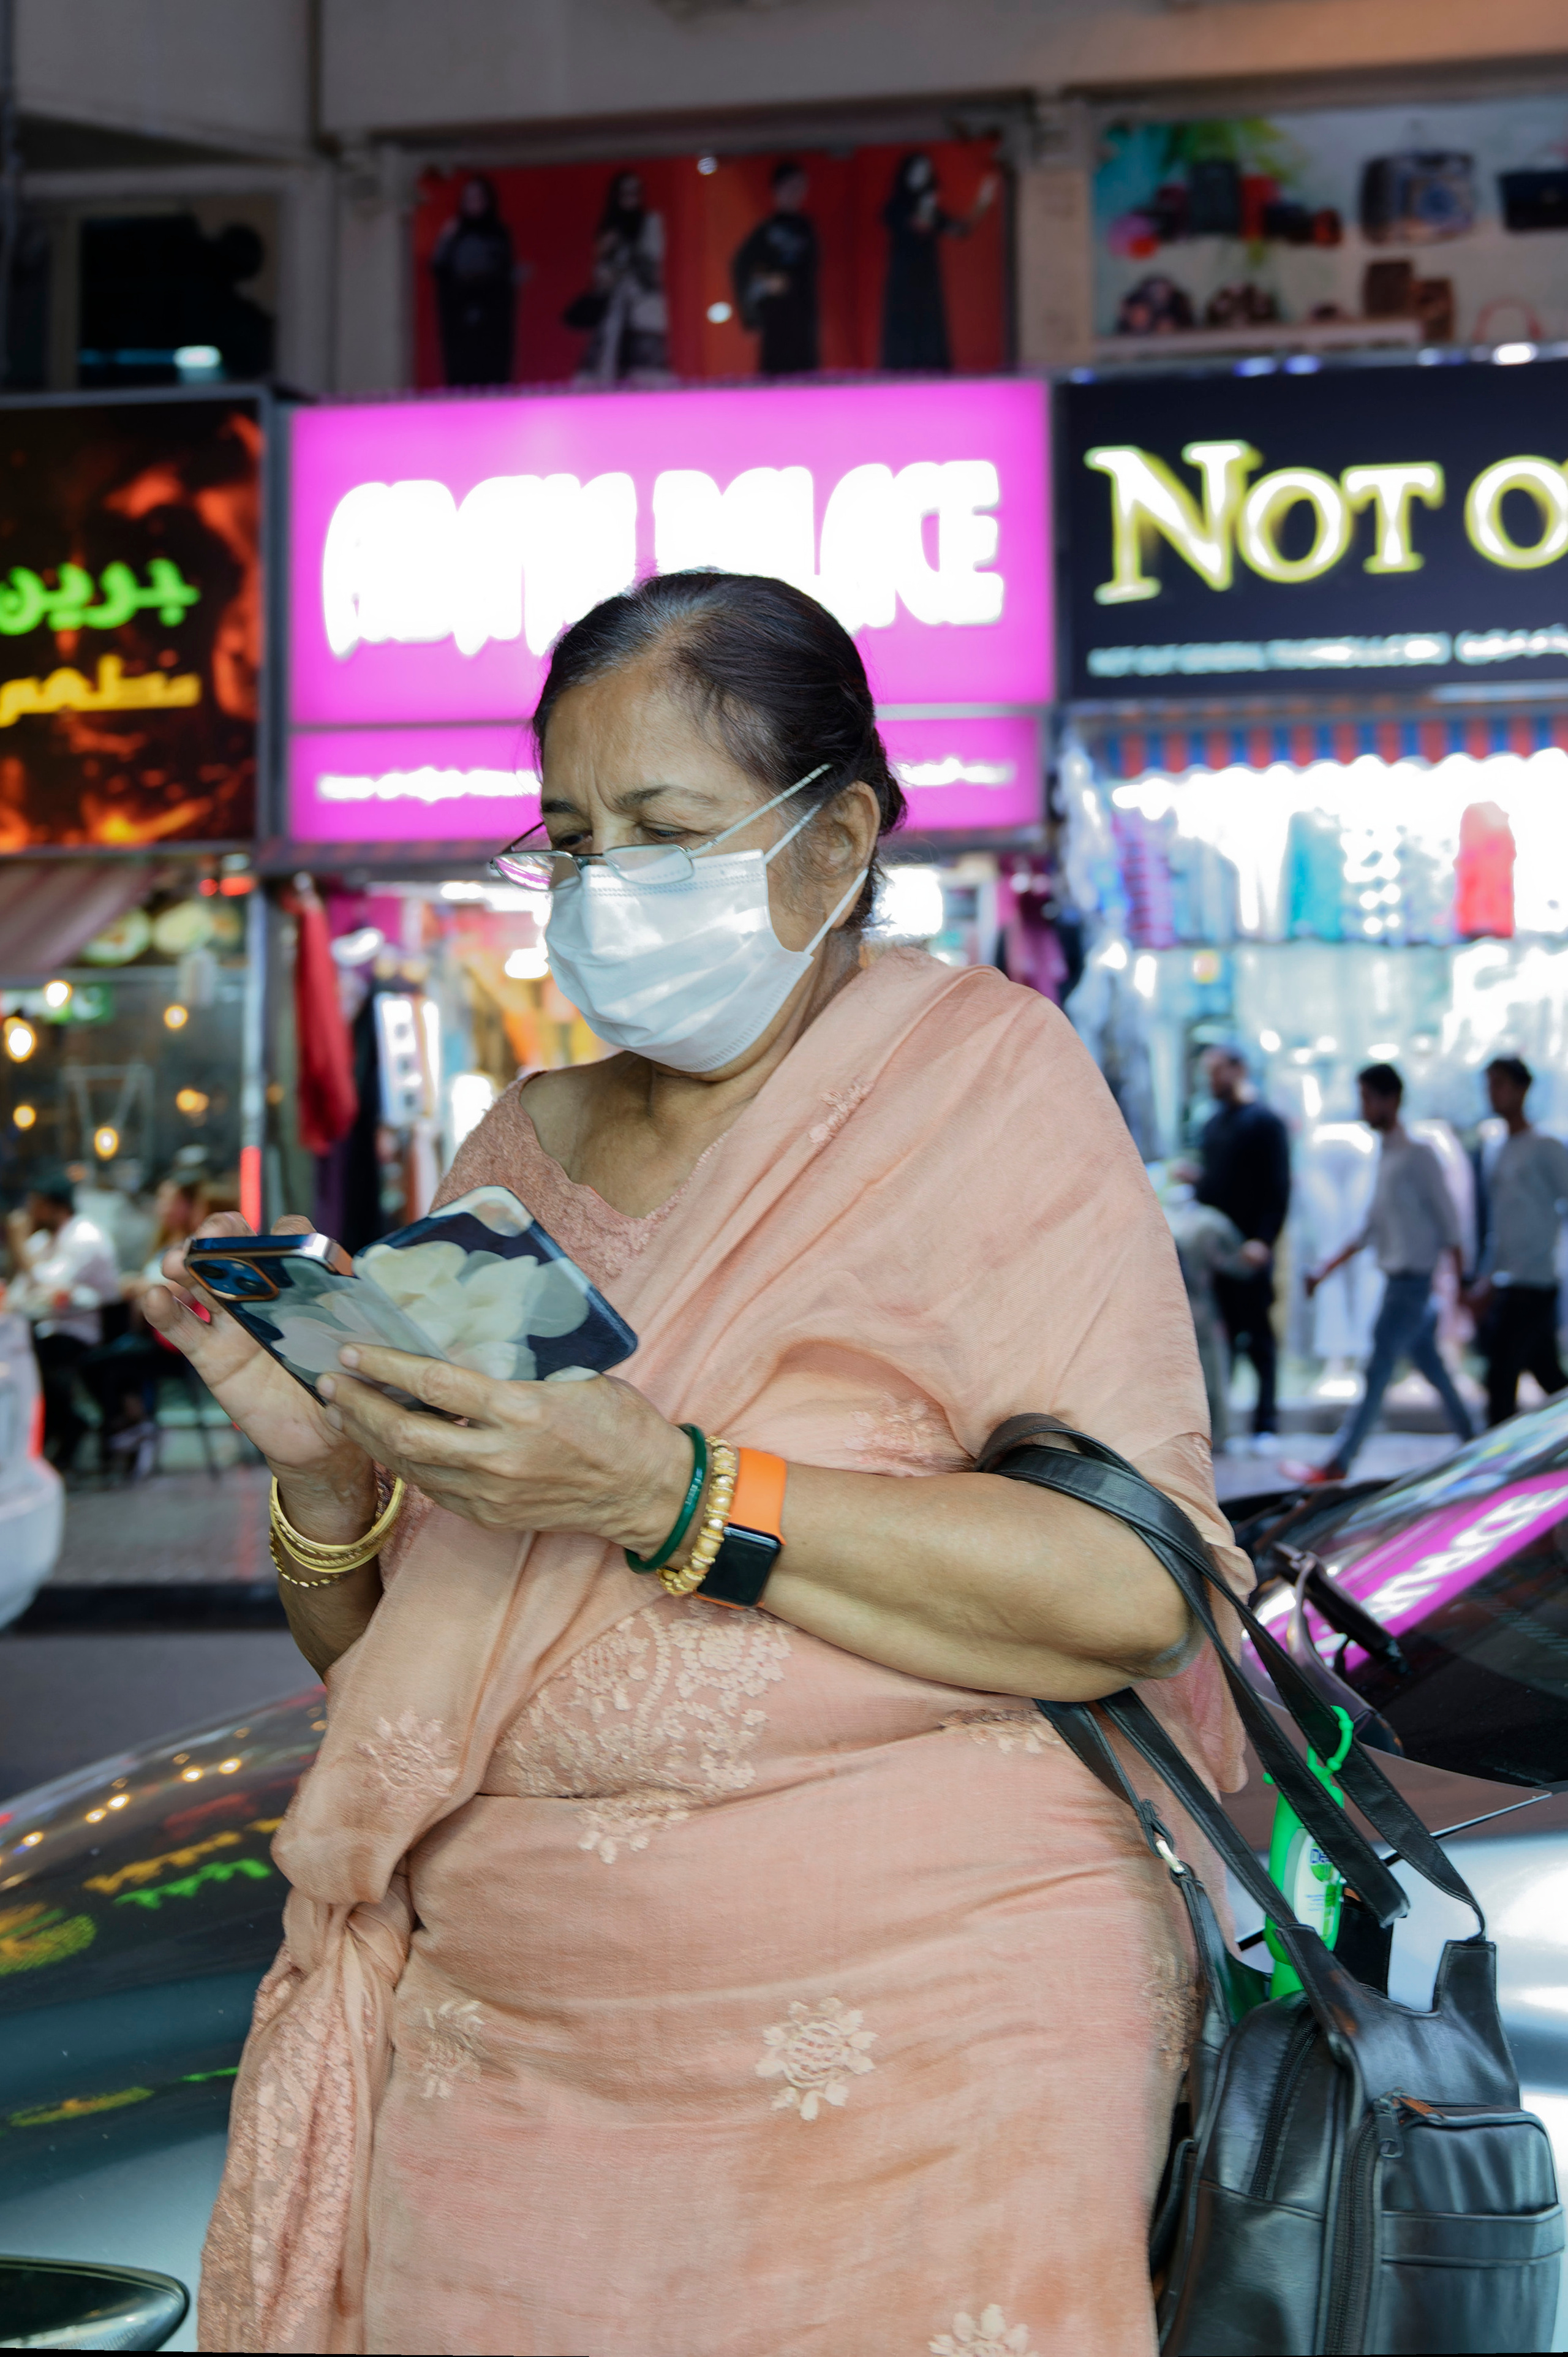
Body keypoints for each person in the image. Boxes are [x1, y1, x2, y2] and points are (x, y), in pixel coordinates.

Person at [155, 570, 1251, 2357]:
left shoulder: (979, 1080)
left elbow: (1132, 1591)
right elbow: (416, 1677)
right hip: (510, 2062)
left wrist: (670, 1491)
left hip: (913, 2067)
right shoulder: (524, 1134)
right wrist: (332, 1485)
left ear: (832, 848)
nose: (604, 889)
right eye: (572, 840)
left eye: (663, 830)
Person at [1305, 1063, 1474, 1480]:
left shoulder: (1419, 1155)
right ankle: (1474, 1440)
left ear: (1391, 1099)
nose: (1363, 1106)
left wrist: (1463, 1288)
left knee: (1378, 1368)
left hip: (1411, 1287)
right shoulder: (1387, 1153)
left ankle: (1339, 1460)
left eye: (1367, 1097)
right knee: (1432, 1369)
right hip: (1401, 1284)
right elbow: (1369, 1226)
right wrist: (1326, 1268)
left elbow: (1450, 1223)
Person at [1191, 1045, 1291, 1451]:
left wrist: (1264, 1241)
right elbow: (1214, 1188)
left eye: (1218, 1071)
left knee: (1260, 1339)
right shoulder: (1212, 1125)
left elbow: (1278, 1187)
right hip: (1221, 1254)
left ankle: (1266, 1423)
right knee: (1224, 1339)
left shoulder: (1265, 1123)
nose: (1213, 1080)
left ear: (1238, 1069)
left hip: (1252, 1250)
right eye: (1208, 1072)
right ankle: (1224, 1425)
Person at [79, 1170, 209, 1477]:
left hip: (174, 1344)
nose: (161, 1207)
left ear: (186, 1206)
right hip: (149, 1335)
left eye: (168, 1200)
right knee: (104, 1361)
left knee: (105, 1366)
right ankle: (132, 1425)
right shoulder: (165, 1245)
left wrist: (140, 1288)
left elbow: (176, 1295)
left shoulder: (192, 1249)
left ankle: (128, 1429)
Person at [1468, 1056, 1568, 1425]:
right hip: (1509, 1279)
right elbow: (1501, 1224)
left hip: (1537, 1279)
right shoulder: (1496, 1148)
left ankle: (1494, 1465)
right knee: (1545, 1373)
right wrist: (1487, 1277)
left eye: (1500, 1085)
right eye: (1489, 1085)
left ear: (1522, 1089)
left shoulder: (1546, 1146)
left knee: (1502, 1375)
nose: (1493, 1094)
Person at [4, 1173, 120, 1470]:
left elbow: (50, 1287)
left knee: (31, 1362)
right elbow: (19, 1295)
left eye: (36, 1206)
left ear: (56, 1207)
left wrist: (18, 1248)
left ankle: (68, 1426)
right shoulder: (44, 1240)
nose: (30, 1213)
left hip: (83, 1332)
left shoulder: (85, 1237)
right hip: (46, 1329)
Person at [1163, 1179, 1268, 1452]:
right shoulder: (1207, 1222)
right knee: (1207, 1375)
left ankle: (1200, 1438)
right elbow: (1239, 1265)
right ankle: (1212, 1437)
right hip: (1194, 1310)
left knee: (1199, 1375)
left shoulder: (1158, 1218)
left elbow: (1238, 1265)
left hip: (1176, 1311)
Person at [879, 151, 997, 371]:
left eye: (925, 172)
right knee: (904, 324)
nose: (920, 177)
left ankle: (931, 367)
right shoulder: (897, 207)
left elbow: (960, 230)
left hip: (927, 275)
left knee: (929, 323)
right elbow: (919, 225)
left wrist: (983, 202)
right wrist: (927, 205)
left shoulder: (932, 208)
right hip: (904, 276)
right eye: (916, 171)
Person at [573, 170, 673, 387]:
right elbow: (600, 273)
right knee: (606, 372)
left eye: (635, 192)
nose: (631, 198)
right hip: (612, 312)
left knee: (645, 375)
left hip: (643, 308)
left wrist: (623, 251)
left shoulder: (650, 223)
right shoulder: (608, 230)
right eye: (625, 193)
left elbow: (652, 260)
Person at [430, 175, 523, 387]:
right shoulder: (454, 233)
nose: (473, 204)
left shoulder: (499, 233)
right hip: (459, 317)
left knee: (492, 372)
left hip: (492, 317)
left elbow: (504, 272)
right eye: (468, 199)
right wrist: (445, 239)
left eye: (478, 198)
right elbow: (439, 268)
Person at [730, 159, 820, 374]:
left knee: (804, 380)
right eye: (791, 187)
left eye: (800, 187)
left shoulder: (807, 228)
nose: (796, 193)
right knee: (775, 376)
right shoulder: (766, 230)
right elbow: (740, 266)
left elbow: (811, 275)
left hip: (802, 320)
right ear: (777, 190)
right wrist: (754, 307)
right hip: (775, 320)